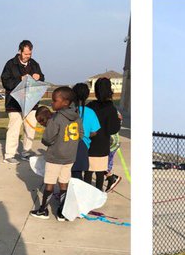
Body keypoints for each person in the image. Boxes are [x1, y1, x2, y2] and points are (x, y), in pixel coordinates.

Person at [31, 87, 80, 220]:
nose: (52, 103)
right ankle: (62, 211)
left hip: (55, 157)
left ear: (65, 102)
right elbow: (80, 134)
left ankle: (43, 210)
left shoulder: (55, 119)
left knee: (50, 182)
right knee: (64, 182)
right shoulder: (76, 117)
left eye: (54, 100)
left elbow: (47, 139)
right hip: (70, 156)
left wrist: (49, 141)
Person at [0, 40, 42, 164]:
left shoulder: (34, 64)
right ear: (20, 51)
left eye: (30, 54)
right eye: (26, 54)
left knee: (30, 129)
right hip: (14, 104)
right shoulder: (10, 64)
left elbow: (42, 77)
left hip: (31, 102)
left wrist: (38, 77)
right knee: (14, 129)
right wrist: (20, 79)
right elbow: (5, 82)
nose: (28, 56)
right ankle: (9, 155)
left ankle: (26, 152)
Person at [87, 77, 122, 191]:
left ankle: (86, 193)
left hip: (89, 143)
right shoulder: (111, 108)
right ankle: (98, 193)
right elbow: (113, 130)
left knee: (88, 171)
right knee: (100, 173)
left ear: (96, 91)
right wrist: (118, 120)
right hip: (102, 145)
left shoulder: (90, 106)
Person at [70, 82, 100, 183]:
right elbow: (94, 132)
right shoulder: (90, 112)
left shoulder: (68, 111)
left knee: (67, 174)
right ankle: (75, 196)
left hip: (67, 144)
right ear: (87, 95)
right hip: (82, 145)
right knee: (77, 174)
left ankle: (65, 194)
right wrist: (86, 134)